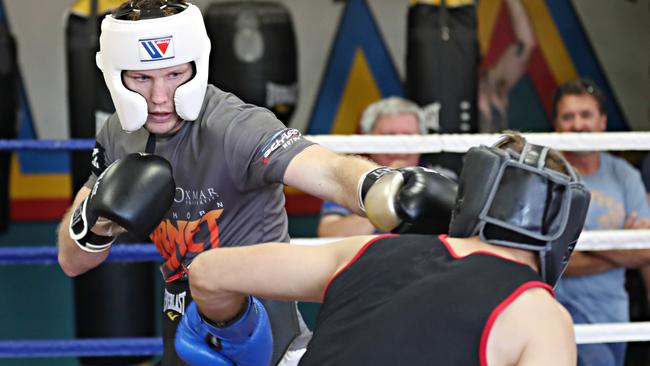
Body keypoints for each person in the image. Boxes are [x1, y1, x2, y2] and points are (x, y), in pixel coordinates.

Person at [55, 1, 451, 365]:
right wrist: (96, 219)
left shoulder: (234, 126)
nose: (161, 97)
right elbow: (72, 262)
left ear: (197, 65)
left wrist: (377, 186)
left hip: (262, 323)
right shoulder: (117, 135)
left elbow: (325, 169)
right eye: (141, 78)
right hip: (180, 320)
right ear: (113, 74)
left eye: (175, 75)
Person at [174, 132, 590, 366]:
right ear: (563, 228)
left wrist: (240, 341)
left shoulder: (364, 252)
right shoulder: (540, 316)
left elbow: (209, 273)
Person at [551, 78, 650, 366]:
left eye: (586, 115)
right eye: (568, 117)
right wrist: (622, 247)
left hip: (613, 318)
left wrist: (578, 243)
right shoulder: (549, 175)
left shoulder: (625, 175)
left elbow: (646, 250)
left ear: (602, 121)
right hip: (560, 314)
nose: (578, 124)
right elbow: (551, 259)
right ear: (556, 124)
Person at [318, 97, 455, 237]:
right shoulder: (348, 179)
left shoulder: (443, 178)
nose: (399, 146)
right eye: (388, 137)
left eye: (408, 136)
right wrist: (382, 201)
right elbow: (328, 233)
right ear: (368, 139)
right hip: (371, 257)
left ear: (422, 138)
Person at [478, 0, 536, 133]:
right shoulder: (447, 81)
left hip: (497, 152)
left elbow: (526, 44)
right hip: (458, 152)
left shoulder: (493, 83)